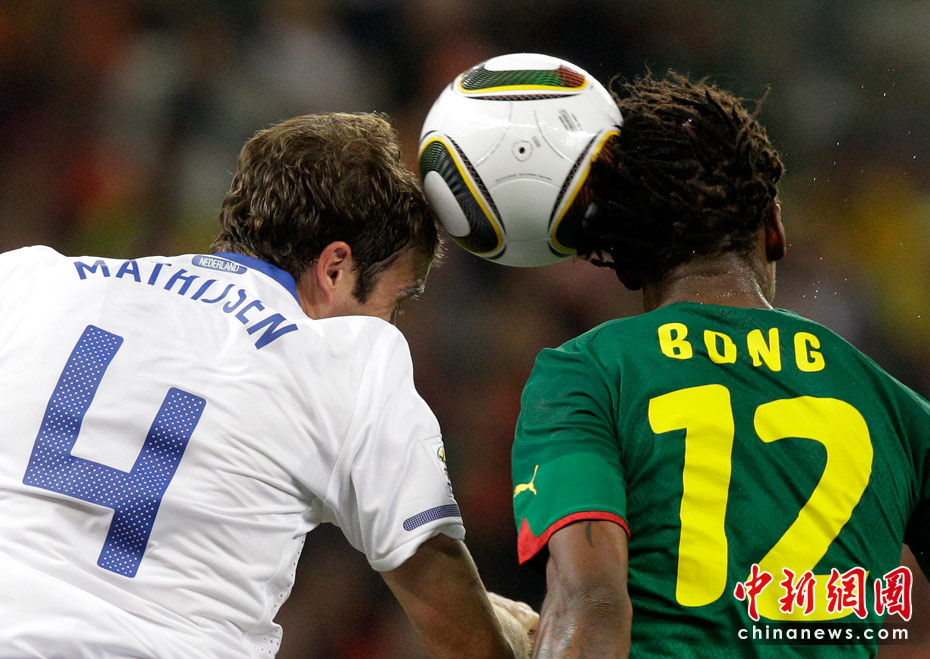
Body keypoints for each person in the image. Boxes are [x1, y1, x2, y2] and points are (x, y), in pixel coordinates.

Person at [0, 111, 536, 658]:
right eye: (396, 301)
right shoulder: (351, 358)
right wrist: (506, 636)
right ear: (335, 268)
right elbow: (444, 602)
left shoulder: (30, 280)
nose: (391, 323)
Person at [511, 72, 930, 657]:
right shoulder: (900, 412)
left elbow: (594, 603)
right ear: (775, 230)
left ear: (626, 266)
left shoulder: (585, 375)